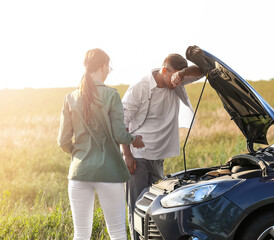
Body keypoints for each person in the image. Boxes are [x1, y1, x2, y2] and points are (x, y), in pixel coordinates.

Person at [57, 48, 144, 240]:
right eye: (109, 67)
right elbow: (120, 135)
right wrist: (134, 140)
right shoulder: (111, 95)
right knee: (118, 233)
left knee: (80, 233)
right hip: (109, 173)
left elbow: (63, 141)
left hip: (79, 173)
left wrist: (80, 154)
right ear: (104, 66)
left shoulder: (70, 98)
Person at [121, 53, 203, 239]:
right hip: (137, 156)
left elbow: (202, 71)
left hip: (158, 157)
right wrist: (127, 155)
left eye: (179, 79)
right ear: (164, 70)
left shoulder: (177, 80)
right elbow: (121, 120)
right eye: (174, 76)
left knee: (158, 207)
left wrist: (182, 74)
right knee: (136, 206)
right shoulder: (141, 87)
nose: (176, 84)